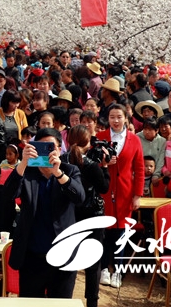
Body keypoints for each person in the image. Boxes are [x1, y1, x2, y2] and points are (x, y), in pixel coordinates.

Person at [5, 127, 85, 299]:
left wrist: (58, 173)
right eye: (39, 147)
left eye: (50, 147)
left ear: (59, 149)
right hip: (32, 256)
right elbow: (7, 195)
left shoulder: (70, 170)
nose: (46, 152)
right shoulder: (27, 172)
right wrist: (23, 162)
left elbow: (79, 197)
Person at [97, 103, 144, 289]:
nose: (115, 121)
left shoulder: (134, 140)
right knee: (104, 232)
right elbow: (91, 164)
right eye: (112, 117)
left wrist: (137, 195)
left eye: (119, 117)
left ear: (126, 118)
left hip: (125, 192)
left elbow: (139, 169)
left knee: (122, 232)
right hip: (105, 191)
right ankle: (103, 269)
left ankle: (118, 270)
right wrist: (104, 163)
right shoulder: (100, 137)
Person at [65, 124, 110, 307]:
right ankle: (92, 302)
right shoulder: (91, 165)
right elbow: (104, 188)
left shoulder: (61, 160)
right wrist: (105, 167)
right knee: (92, 263)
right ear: (87, 143)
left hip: (68, 215)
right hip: (92, 216)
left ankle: (64, 298)